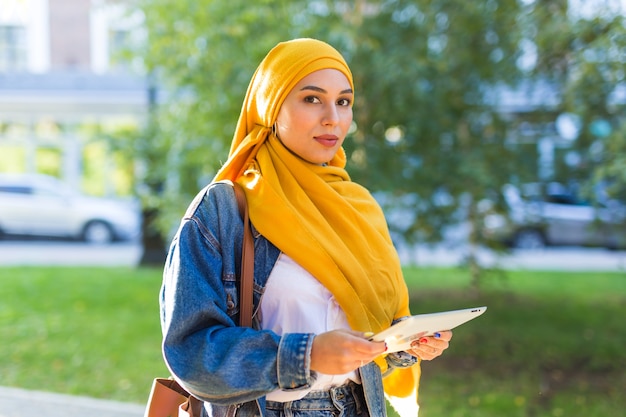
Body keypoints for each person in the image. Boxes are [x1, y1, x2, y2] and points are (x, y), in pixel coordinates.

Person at [160, 38, 453, 417]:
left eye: (343, 101)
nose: (332, 117)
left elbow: (366, 329)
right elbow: (191, 351)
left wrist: (403, 344)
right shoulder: (225, 210)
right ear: (272, 105)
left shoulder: (356, 205)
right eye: (312, 99)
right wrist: (307, 354)